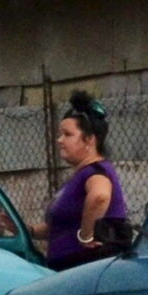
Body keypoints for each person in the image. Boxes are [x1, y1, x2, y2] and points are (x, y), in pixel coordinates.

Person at [43, 91, 128, 270]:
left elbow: (99, 197)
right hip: (69, 268)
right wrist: (29, 231)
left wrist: (86, 236)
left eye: (67, 134)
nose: (59, 140)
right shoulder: (79, 175)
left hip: (86, 268)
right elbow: (63, 225)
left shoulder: (96, 171)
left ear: (89, 140)